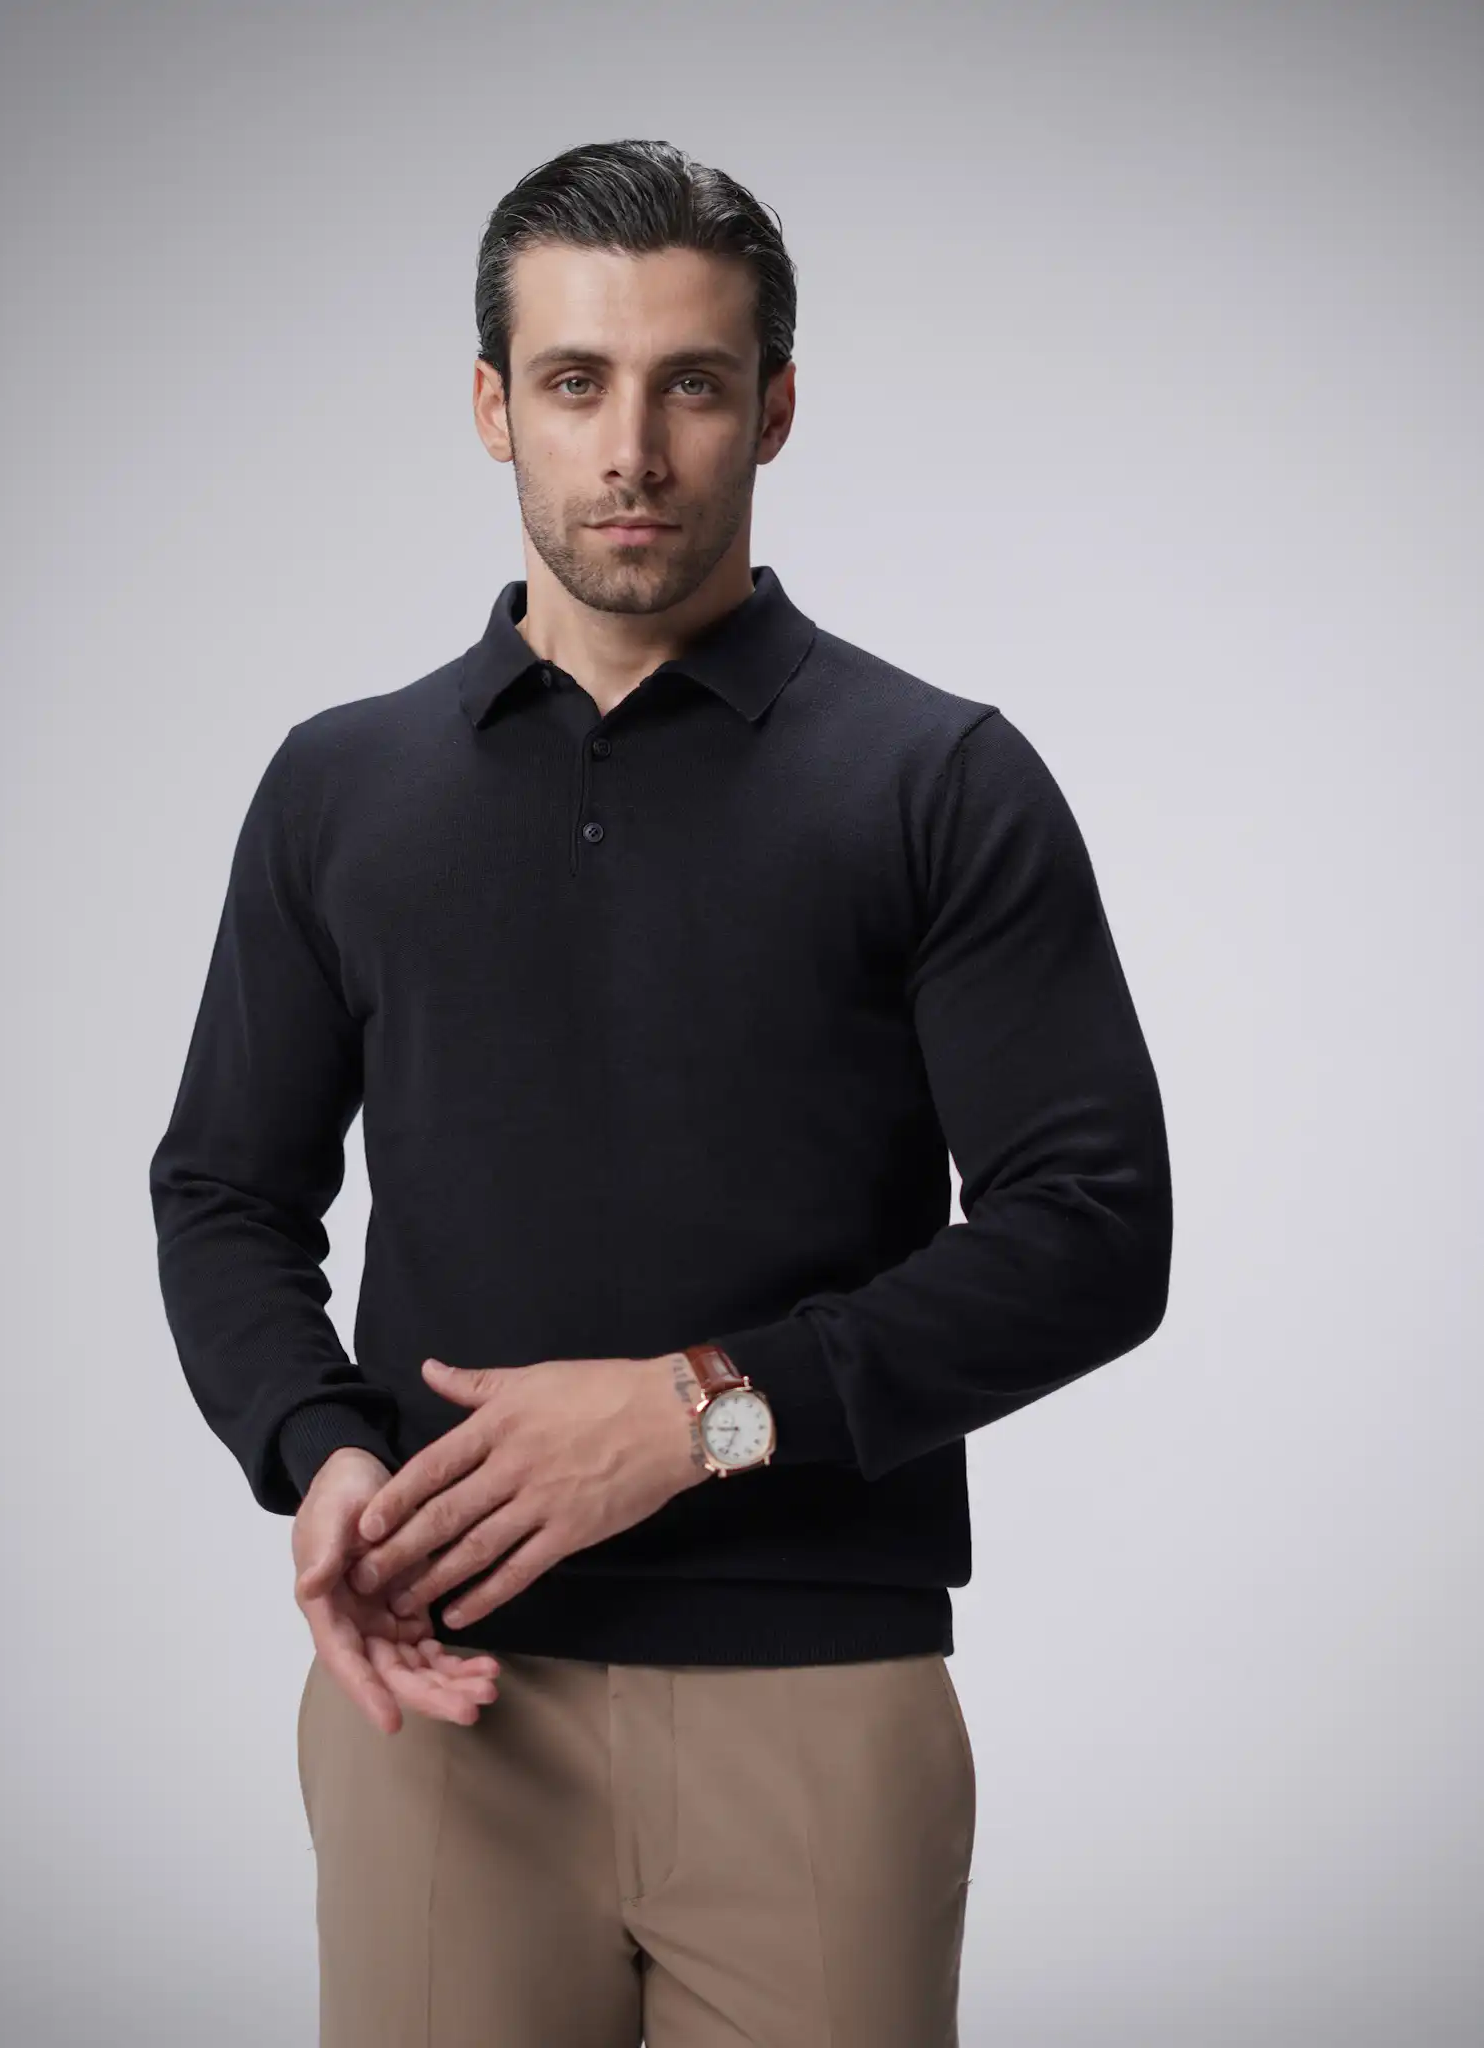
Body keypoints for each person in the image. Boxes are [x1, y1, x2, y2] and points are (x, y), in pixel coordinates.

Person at [148, 136, 1172, 2048]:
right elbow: (224, 1192)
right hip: (440, 1698)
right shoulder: (338, 787)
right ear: (492, 407)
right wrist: (320, 1456)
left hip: (820, 1703)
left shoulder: (937, 777)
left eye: (690, 383)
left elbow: (1093, 1232)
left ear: (771, 409)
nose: (630, 448)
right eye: (574, 381)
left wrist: (700, 1411)